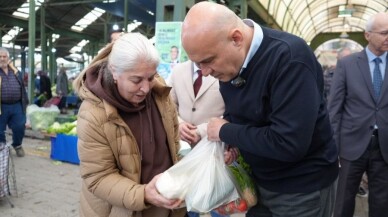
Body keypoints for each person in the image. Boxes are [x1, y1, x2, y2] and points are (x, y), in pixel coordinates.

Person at [181, 2, 338, 217]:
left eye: (208, 61)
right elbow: (241, 114)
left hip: (300, 190)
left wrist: (225, 131)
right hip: (258, 183)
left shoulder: (290, 58)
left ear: (236, 38)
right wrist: (233, 143)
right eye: (198, 65)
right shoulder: (229, 64)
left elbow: (288, 143)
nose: (205, 72)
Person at [72, 32, 186, 217]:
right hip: (119, 210)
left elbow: (174, 143)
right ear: (114, 71)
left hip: (165, 204)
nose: (146, 88)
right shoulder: (93, 114)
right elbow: (98, 177)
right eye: (136, 80)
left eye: (150, 77)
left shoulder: (159, 93)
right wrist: (143, 195)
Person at [328, 12, 388, 217]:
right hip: (351, 145)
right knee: (343, 200)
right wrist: (333, 147)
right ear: (368, 35)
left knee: (382, 203)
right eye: (384, 33)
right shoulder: (348, 64)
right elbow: (334, 108)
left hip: (384, 146)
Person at [169, 60, 229, 217]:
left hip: (215, 151)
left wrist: (202, 130)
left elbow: (233, 111)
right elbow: (168, 105)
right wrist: (179, 124)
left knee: (216, 204)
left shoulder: (224, 70)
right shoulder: (178, 70)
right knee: (188, 203)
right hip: (183, 151)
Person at [0, 47, 29, 157]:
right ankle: (2, 149)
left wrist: (26, 102)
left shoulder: (15, 71)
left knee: (19, 126)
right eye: (0, 57)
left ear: (8, 58)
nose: (2, 59)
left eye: (4, 56)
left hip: (17, 104)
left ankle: (17, 145)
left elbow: (22, 86)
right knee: (0, 129)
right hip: (1, 106)